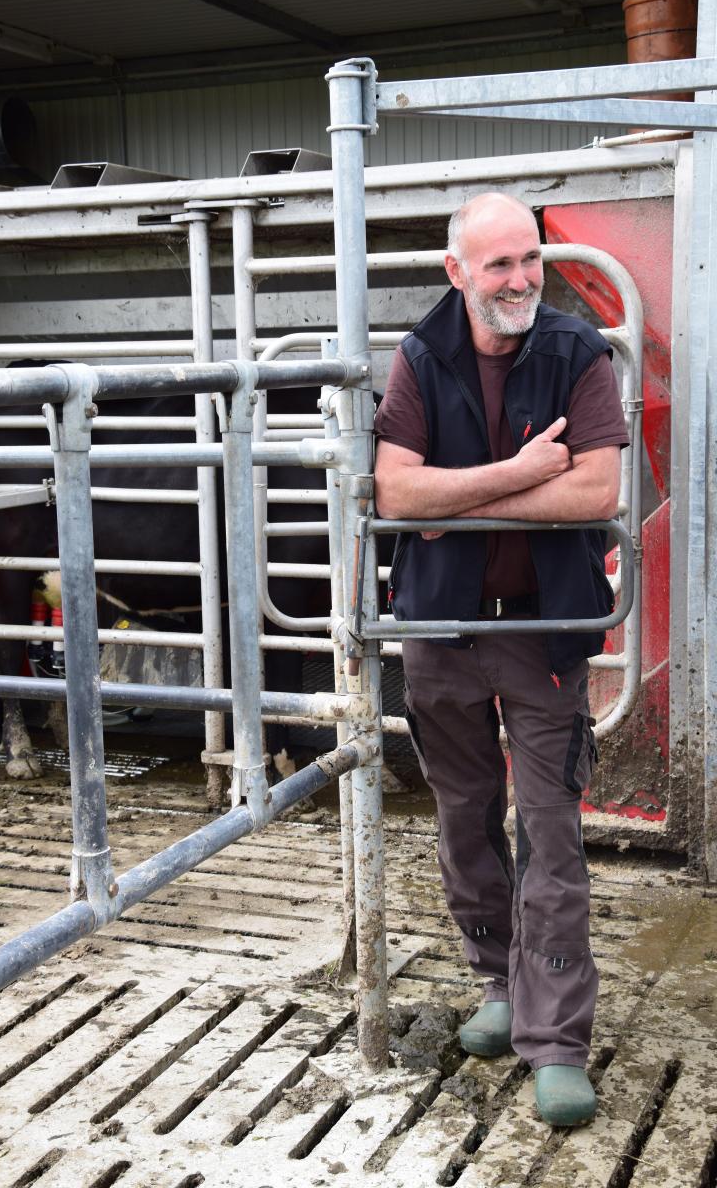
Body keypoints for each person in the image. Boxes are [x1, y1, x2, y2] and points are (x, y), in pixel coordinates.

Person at [374, 192, 629, 1127]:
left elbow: (596, 487)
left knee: (552, 829)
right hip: (442, 630)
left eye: (531, 259)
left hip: (541, 629)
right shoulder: (417, 356)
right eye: (499, 264)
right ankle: (498, 986)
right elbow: (397, 492)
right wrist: (523, 477)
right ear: (456, 273)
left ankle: (557, 1040)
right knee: (464, 819)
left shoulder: (576, 352)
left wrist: (454, 502)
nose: (522, 279)